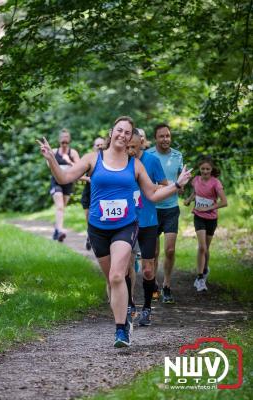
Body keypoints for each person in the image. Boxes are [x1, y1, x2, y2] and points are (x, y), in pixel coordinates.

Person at [37, 116, 192, 348]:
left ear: (132, 138)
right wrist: (51, 159)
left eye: (127, 133)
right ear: (112, 132)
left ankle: (121, 331)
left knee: (118, 275)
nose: (122, 135)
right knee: (111, 281)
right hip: (98, 229)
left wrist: (177, 185)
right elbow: (64, 177)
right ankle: (123, 321)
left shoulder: (135, 164)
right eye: (119, 130)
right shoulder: (93, 159)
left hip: (125, 225)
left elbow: (152, 194)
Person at [127, 131, 168, 326]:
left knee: (148, 271)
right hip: (125, 223)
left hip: (149, 222)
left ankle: (147, 309)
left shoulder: (151, 161)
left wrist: (149, 188)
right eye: (127, 147)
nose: (130, 151)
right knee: (126, 268)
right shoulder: (119, 163)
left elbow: (165, 186)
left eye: (134, 147)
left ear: (141, 143)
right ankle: (129, 305)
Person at [147, 123, 183, 304]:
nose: (165, 139)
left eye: (168, 135)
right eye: (161, 136)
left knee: (170, 250)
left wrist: (181, 186)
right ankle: (152, 284)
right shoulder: (149, 156)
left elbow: (180, 182)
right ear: (156, 138)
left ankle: (166, 286)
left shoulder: (178, 156)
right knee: (153, 252)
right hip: (153, 208)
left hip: (171, 209)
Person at [184, 156, 227, 292]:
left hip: (211, 219)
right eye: (203, 169)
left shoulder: (216, 183)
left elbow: (224, 202)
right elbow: (196, 192)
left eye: (208, 169)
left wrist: (207, 208)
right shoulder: (196, 180)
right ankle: (200, 277)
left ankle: (205, 268)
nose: (205, 171)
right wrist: (189, 200)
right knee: (202, 247)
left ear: (211, 169)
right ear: (200, 169)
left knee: (206, 249)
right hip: (198, 216)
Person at [50, 129, 80, 241]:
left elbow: (79, 168)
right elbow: (50, 167)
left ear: (69, 140)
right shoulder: (53, 152)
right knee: (60, 206)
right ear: (59, 140)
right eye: (62, 139)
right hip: (56, 182)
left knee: (62, 208)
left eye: (66, 139)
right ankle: (60, 231)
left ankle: (56, 229)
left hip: (68, 183)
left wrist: (68, 161)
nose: (64, 141)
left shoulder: (73, 153)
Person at [81, 137, 105, 250]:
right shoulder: (89, 159)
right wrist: (89, 179)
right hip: (88, 194)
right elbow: (78, 175)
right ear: (93, 147)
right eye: (97, 145)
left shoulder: (108, 159)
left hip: (102, 195)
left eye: (101, 144)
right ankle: (89, 236)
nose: (100, 146)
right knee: (89, 219)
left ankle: (96, 239)